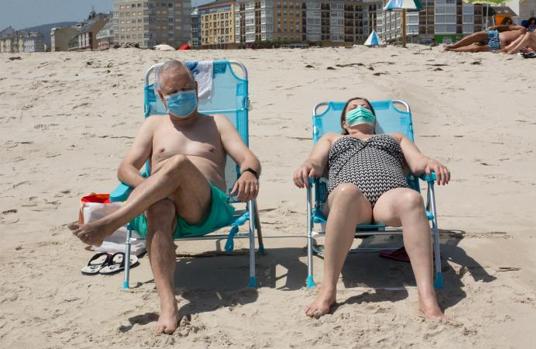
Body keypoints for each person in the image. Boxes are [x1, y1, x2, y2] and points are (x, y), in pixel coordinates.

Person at [70, 60, 261, 334]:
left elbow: (247, 157)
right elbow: (125, 168)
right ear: (161, 96)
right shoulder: (153, 125)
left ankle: (111, 223)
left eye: (186, 88)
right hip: (162, 208)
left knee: (179, 163)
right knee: (159, 205)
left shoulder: (217, 122)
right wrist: (154, 187)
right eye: (173, 92)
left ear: (197, 88)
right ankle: (168, 303)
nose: (181, 95)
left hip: (204, 207)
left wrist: (249, 173)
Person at [293, 97, 451, 320]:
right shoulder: (332, 138)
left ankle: (427, 297)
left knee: (412, 198)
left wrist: (431, 163)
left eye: (365, 107)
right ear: (345, 123)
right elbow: (316, 163)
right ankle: (328, 291)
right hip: (349, 202)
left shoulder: (395, 137)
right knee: (347, 191)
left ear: (374, 118)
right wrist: (307, 166)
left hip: (388, 200)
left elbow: (418, 163)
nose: (360, 110)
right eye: (354, 108)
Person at [445, 24, 526, 52]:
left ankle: (453, 50)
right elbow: (508, 27)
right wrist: (495, 27)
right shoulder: (522, 29)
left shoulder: (529, 40)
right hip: (496, 35)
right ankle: (454, 46)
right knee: (476, 35)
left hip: (501, 43)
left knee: (477, 48)